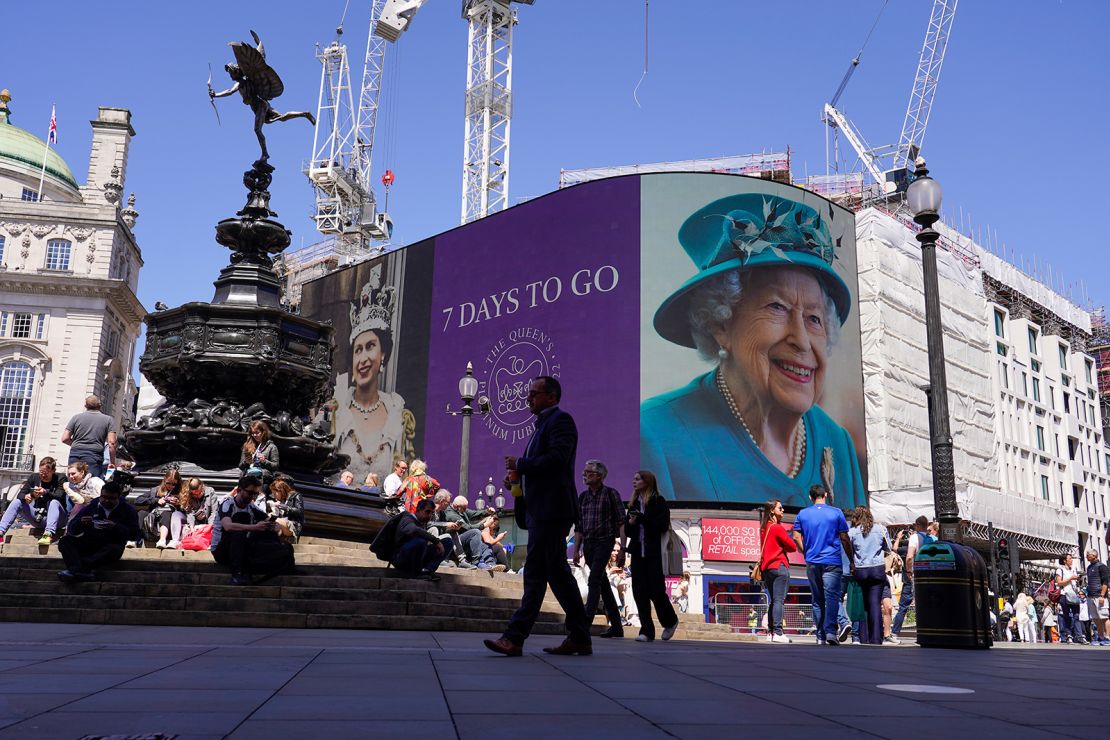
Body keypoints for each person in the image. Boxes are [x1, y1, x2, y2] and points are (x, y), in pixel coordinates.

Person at [640, 193, 865, 509]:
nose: (802, 340)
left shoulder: (837, 443)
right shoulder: (656, 436)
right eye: (777, 307)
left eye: (814, 318)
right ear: (721, 323)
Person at [484, 376, 592, 658]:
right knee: (557, 575)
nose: (528, 398)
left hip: (552, 509)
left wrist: (521, 464)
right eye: (529, 393)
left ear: (552, 397)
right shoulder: (540, 426)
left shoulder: (561, 421)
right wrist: (518, 482)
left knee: (534, 572)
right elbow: (543, 469)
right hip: (540, 509)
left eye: (534, 393)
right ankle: (580, 636)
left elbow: (557, 460)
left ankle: (515, 637)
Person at [332, 272, 408, 483]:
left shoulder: (399, 414)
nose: (363, 358)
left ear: (383, 354)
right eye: (358, 350)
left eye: (370, 347)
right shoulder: (335, 413)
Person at [793, 484, 853, 645]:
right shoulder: (836, 513)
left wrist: (805, 552)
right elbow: (845, 538)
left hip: (812, 561)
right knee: (832, 597)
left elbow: (796, 537)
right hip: (832, 561)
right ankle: (831, 632)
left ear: (810, 497)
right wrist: (852, 559)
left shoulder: (803, 514)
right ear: (825, 495)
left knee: (817, 599)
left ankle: (820, 636)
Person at [573, 459, 626, 639]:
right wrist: (576, 549)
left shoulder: (611, 494)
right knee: (602, 583)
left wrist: (623, 549)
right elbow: (579, 526)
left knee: (595, 578)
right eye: (585, 472)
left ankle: (586, 622)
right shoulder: (583, 497)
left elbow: (621, 522)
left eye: (588, 473)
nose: (584, 475)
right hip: (588, 544)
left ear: (599, 476)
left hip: (605, 541)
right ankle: (617, 626)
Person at [625, 470, 679, 644]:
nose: (634, 481)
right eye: (634, 478)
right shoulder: (633, 503)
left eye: (638, 479)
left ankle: (670, 621)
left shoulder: (658, 501)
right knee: (639, 592)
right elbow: (628, 531)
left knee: (656, 591)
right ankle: (647, 631)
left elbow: (662, 526)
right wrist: (631, 523)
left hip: (654, 553)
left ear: (647, 482)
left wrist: (643, 519)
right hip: (637, 553)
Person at [210, 476, 294, 586]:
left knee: (284, 547)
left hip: (242, 546)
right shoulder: (228, 503)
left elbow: (266, 518)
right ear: (239, 490)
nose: (252, 497)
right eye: (250, 493)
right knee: (240, 524)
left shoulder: (251, 506)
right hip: (222, 550)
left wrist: (274, 526)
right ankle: (237, 574)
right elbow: (228, 526)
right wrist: (255, 527)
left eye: (255, 494)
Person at [56, 481, 139, 583]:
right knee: (65, 541)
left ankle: (76, 569)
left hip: (110, 545)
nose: (106, 501)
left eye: (111, 498)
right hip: (89, 542)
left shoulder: (128, 510)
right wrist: (81, 522)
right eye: (104, 497)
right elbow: (72, 528)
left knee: (115, 549)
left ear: (118, 497)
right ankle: (81, 571)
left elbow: (135, 534)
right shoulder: (92, 506)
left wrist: (116, 527)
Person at [0, 457, 66, 546]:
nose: (43, 475)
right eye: (41, 472)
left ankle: (48, 534)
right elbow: (20, 494)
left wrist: (45, 492)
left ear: (53, 471)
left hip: (59, 519)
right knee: (17, 502)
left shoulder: (60, 478)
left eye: (46, 473)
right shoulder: (34, 477)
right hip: (40, 517)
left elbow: (60, 496)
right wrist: (29, 496)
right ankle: (1, 532)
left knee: (54, 502)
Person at [847, 507, 889, 645]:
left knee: (863, 605)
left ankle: (863, 637)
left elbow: (850, 550)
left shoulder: (852, 532)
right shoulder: (880, 529)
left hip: (861, 570)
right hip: (877, 569)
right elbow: (887, 548)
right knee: (875, 604)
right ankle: (876, 638)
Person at [758, 499, 797, 643]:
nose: (783, 510)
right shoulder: (777, 528)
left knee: (774, 601)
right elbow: (792, 546)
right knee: (779, 601)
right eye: (780, 508)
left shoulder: (764, 529)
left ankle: (771, 632)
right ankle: (779, 632)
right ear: (772, 511)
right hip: (779, 566)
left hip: (767, 568)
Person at [889, 515, 930, 644]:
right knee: (927, 604)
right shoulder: (933, 539)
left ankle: (894, 633)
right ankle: (927, 631)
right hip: (929, 575)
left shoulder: (914, 538)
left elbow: (909, 557)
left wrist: (908, 571)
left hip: (915, 574)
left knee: (904, 605)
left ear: (917, 525)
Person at [392, 498, 451, 580]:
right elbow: (414, 530)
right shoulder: (407, 518)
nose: (430, 515)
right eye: (427, 512)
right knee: (421, 541)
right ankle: (416, 573)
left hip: (417, 557)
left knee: (448, 542)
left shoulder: (423, 523)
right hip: (402, 559)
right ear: (419, 510)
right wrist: (435, 541)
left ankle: (427, 570)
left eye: (432, 513)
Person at [61, 394, 116, 479]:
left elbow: (65, 438)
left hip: (75, 454)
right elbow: (112, 443)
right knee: (91, 484)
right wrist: (112, 462)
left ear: (85, 406)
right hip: (94, 456)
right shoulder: (108, 420)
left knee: (73, 484)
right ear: (100, 405)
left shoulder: (76, 418)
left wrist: (77, 444)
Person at [445, 496, 502, 570]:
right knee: (475, 532)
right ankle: (476, 562)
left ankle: (490, 564)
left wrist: (487, 512)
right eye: (464, 508)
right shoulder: (451, 515)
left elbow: (474, 514)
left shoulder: (461, 509)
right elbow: (468, 527)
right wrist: (484, 525)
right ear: (456, 506)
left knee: (485, 546)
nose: (465, 510)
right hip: (456, 543)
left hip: (465, 542)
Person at [136, 468, 184, 549]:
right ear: (164, 480)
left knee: (166, 513)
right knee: (141, 513)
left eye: (174, 484)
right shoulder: (156, 490)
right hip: (153, 517)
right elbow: (138, 500)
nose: (171, 486)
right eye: (168, 483)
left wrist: (178, 504)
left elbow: (188, 509)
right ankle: (134, 539)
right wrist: (156, 500)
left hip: (169, 521)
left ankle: (162, 540)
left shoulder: (181, 492)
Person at [1055, 553, 1087, 644]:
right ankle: (1068, 635)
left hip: (1074, 594)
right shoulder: (1060, 570)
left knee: (1076, 615)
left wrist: (1077, 580)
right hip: (1064, 594)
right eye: (1069, 558)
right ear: (1064, 560)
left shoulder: (1074, 569)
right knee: (1066, 616)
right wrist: (1070, 578)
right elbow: (1059, 582)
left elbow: (1075, 582)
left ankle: (1080, 636)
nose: (1071, 560)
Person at [239, 421, 280, 485]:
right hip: (248, 477)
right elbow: (240, 466)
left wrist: (264, 461)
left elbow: (276, 466)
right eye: (252, 433)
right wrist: (246, 462)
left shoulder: (271, 447)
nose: (254, 435)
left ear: (263, 432)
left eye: (257, 433)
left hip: (263, 479)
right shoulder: (247, 446)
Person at [266, 478, 305, 543]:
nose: (274, 496)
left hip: (293, 524)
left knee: (275, 521)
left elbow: (299, 511)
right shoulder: (280, 500)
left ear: (280, 491)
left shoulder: (296, 495)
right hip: (282, 523)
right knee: (269, 518)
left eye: (275, 493)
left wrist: (282, 506)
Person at [1085, 550, 1110, 646]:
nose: (1087, 557)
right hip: (1091, 596)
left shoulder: (1102, 566)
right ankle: (1101, 637)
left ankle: (1108, 637)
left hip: (1099, 596)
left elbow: (1105, 582)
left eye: (1088, 555)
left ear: (1094, 556)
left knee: (1104, 617)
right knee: (1096, 618)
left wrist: (1102, 595)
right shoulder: (1089, 567)